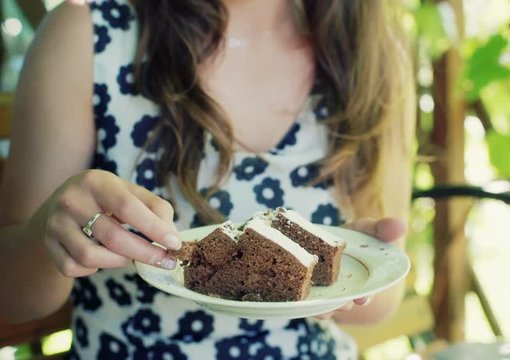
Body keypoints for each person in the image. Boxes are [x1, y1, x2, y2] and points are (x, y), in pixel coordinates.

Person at [0, 0, 415, 358]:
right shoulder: (86, 35)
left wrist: (350, 267)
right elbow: (10, 297)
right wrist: (50, 236)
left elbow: (383, 301)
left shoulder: (374, 54)